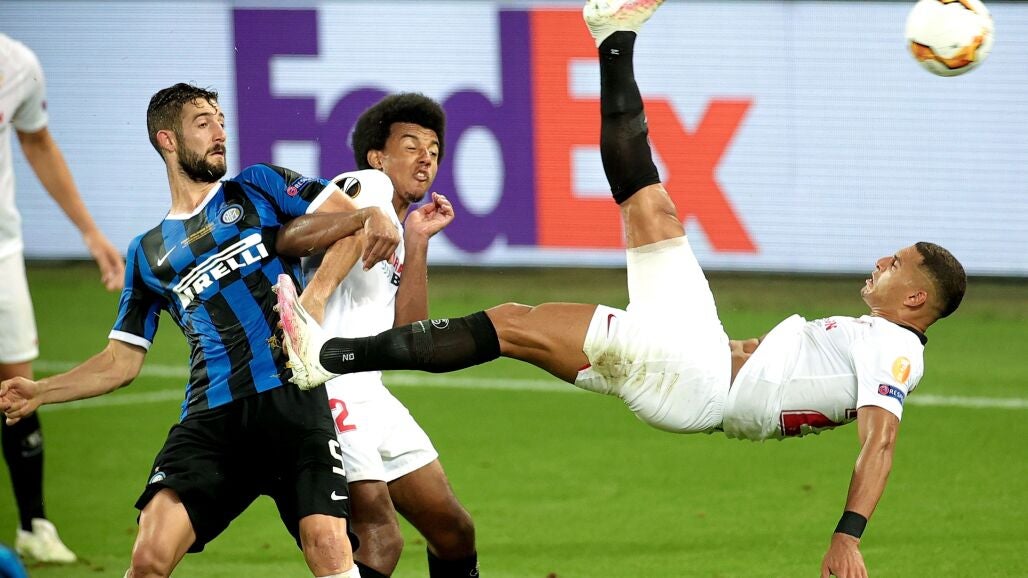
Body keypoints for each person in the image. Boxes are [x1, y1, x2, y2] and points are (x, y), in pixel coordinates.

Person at [273, 2, 969, 578]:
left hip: (696, 380)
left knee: (513, 322)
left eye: (898, 263)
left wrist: (848, 534)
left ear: (917, 299)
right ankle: (614, 35)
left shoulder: (897, 352)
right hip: (700, 342)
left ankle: (325, 354)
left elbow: (880, 444)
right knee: (648, 200)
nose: (882, 261)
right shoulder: (879, 336)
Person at [0, 82, 402, 577]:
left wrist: (313, 299)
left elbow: (353, 222)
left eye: (221, 121)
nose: (220, 133)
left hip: (293, 403)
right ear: (167, 140)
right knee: (149, 556)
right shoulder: (147, 253)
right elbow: (120, 362)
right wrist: (41, 391)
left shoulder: (258, 186)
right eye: (203, 123)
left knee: (328, 546)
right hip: (213, 417)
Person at [278, 93, 478, 578]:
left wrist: (418, 240)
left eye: (433, 149)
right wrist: (315, 298)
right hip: (327, 389)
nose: (426, 157)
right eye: (410, 146)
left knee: (453, 530)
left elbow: (409, 335)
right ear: (377, 157)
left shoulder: (396, 229)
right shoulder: (369, 187)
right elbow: (315, 229)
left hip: (370, 394)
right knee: (380, 540)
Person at [0, 33, 126, 564]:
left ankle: (33, 524)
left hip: (2, 250)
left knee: (15, 383)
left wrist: (90, 232)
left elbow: (37, 143)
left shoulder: (18, 64)